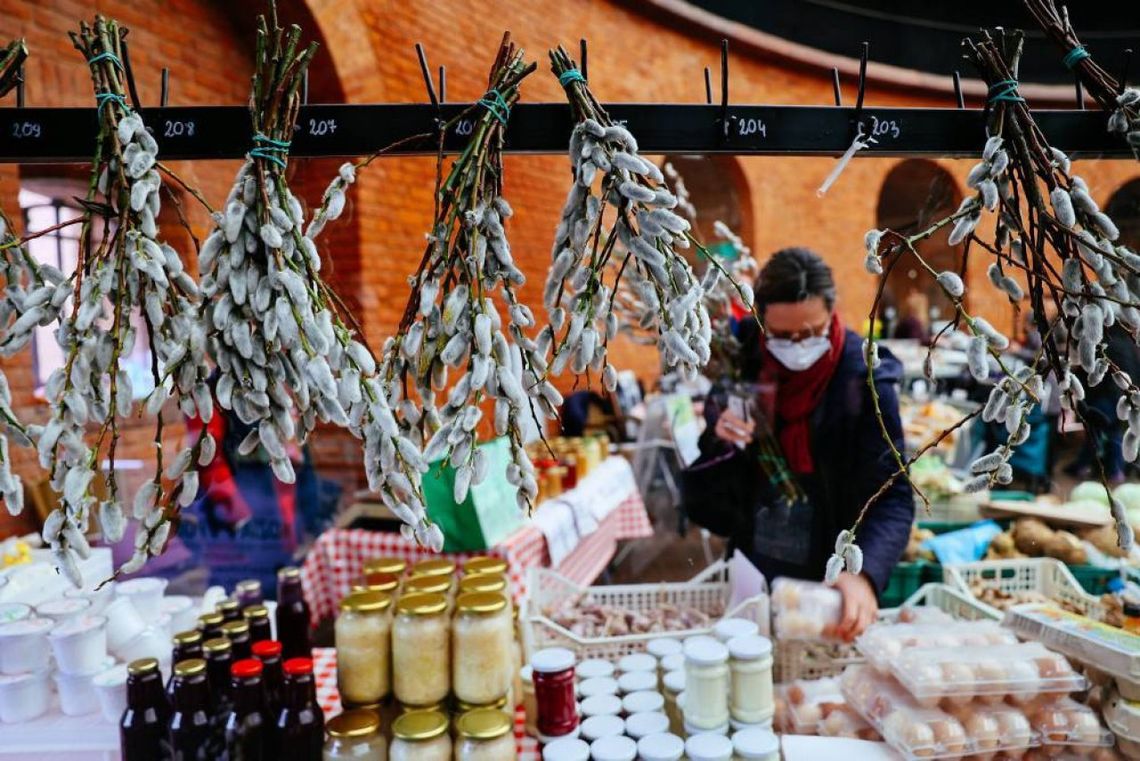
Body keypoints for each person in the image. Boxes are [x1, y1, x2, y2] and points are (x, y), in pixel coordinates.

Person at [683, 247, 913, 640]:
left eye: (809, 333)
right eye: (781, 336)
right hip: (755, 561)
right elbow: (710, 500)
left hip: (830, 571)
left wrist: (865, 575)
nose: (797, 345)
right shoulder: (743, 366)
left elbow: (891, 496)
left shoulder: (864, 381)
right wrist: (721, 439)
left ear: (831, 312)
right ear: (761, 322)